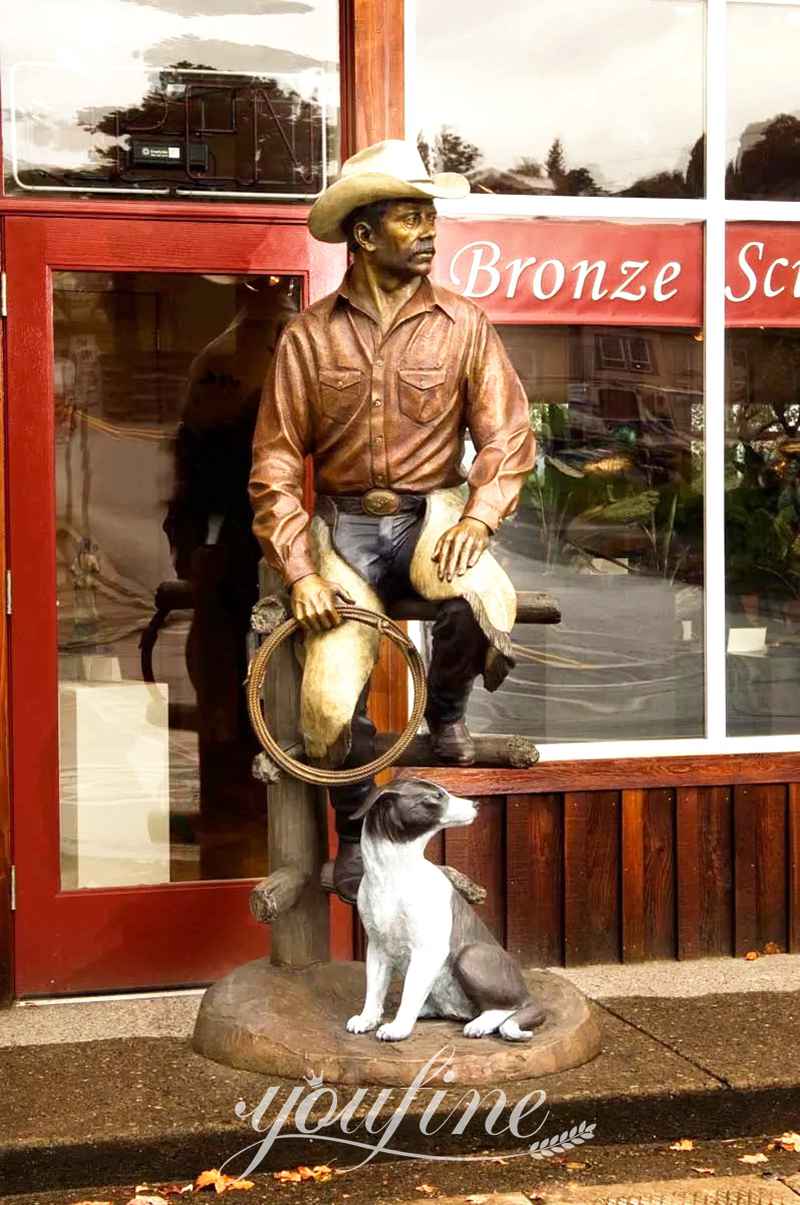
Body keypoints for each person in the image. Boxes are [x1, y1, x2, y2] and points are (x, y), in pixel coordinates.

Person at [249, 139, 535, 903]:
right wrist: (301, 572)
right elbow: (275, 468)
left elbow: (508, 435)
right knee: (324, 707)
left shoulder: (463, 325)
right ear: (365, 236)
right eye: (411, 217)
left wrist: (480, 514)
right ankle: (354, 834)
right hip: (339, 532)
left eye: (429, 216)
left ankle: (444, 713)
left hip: (430, 518)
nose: (429, 231)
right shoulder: (307, 338)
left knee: (483, 599)